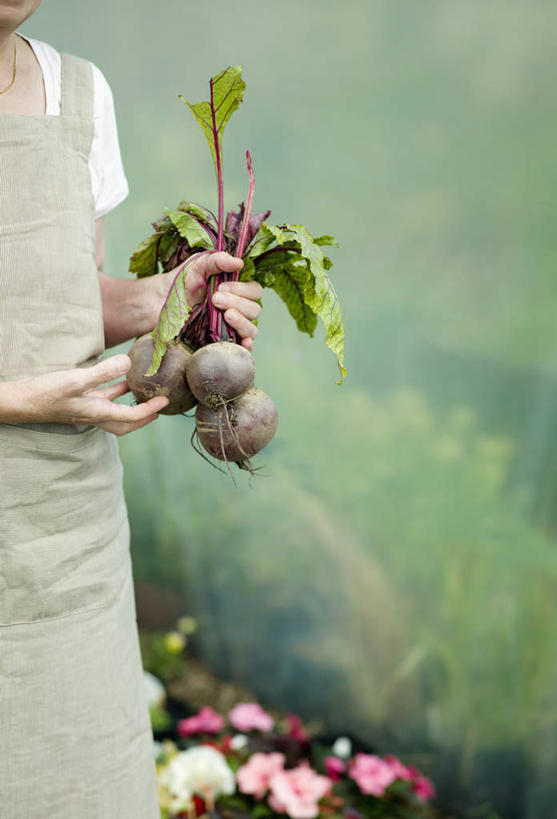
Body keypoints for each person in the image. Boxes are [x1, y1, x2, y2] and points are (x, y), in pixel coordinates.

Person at [0, 2, 263, 816]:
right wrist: (15, 400)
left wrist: (166, 297)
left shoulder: (79, 94)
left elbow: (65, 295)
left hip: (63, 533)